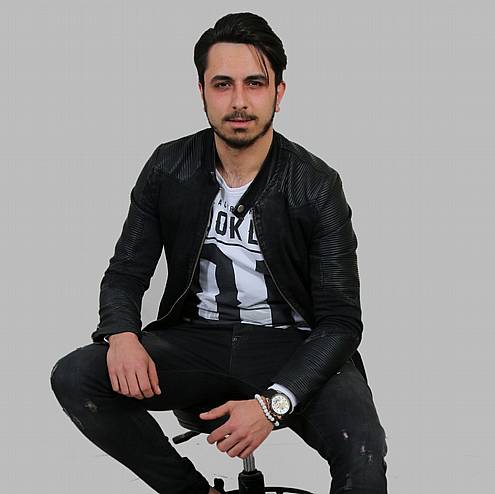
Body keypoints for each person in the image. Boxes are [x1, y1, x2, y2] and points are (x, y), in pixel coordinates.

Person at [50, 12, 388, 494]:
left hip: (294, 345)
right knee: (76, 375)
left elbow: (340, 322)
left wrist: (272, 405)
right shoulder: (169, 167)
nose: (239, 101)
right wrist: (121, 334)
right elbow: (125, 272)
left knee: (364, 452)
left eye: (255, 83)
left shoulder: (314, 184)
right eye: (223, 84)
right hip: (197, 338)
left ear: (279, 94)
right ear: (202, 91)